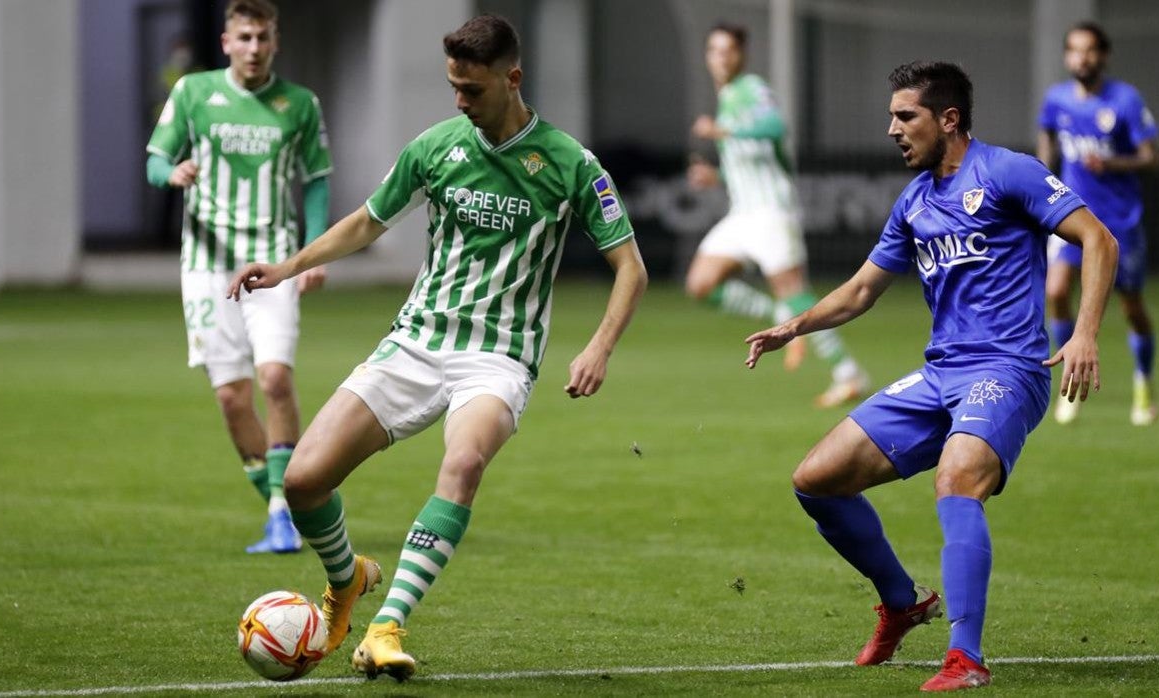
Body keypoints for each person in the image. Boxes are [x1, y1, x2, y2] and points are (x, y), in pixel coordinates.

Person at [226, 14, 647, 682]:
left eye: (472, 89)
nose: (459, 101)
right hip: (416, 343)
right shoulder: (437, 146)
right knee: (303, 481)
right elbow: (368, 220)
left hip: (498, 358)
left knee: (465, 461)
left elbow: (631, 266)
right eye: (452, 86)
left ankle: (386, 627)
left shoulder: (570, 164)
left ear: (512, 79)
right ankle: (347, 582)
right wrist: (287, 265)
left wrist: (600, 346)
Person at [745, 61, 1116, 691]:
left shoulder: (1007, 172)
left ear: (948, 120)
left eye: (905, 116)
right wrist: (794, 326)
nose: (892, 128)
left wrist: (1083, 332)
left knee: (957, 478)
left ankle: (965, 658)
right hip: (940, 374)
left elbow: (1097, 239)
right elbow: (863, 289)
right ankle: (901, 601)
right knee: (816, 479)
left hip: (1008, 370)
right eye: (892, 116)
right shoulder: (914, 200)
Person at [145, 0, 332, 554]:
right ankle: (274, 504)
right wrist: (171, 173)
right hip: (205, 266)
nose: (254, 48)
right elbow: (154, 158)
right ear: (226, 43)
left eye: (263, 38)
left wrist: (313, 254)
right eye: (244, 37)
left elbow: (316, 179)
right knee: (231, 397)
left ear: (275, 42)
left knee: (274, 378)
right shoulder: (194, 93)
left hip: (270, 263)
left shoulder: (299, 104)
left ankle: (285, 509)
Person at [687, 23, 867, 408]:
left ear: (741, 55)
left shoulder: (751, 89)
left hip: (771, 213)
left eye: (727, 50)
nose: (720, 57)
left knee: (797, 295)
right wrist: (716, 176)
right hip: (742, 215)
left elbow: (774, 126)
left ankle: (848, 373)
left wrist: (723, 129)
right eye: (713, 50)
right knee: (701, 282)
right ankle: (780, 316)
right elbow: (752, 164)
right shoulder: (727, 96)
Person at [1037, 21, 1159, 426]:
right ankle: (1070, 380)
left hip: (1119, 222)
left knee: (1131, 307)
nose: (1082, 57)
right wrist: (1041, 184)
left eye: (1089, 50)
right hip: (1072, 218)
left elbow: (1153, 158)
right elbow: (1046, 147)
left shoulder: (1125, 100)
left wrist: (1111, 163)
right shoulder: (1056, 99)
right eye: (1074, 50)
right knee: (1056, 290)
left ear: (1103, 55)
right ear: (1066, 57)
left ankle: (1144, 380)